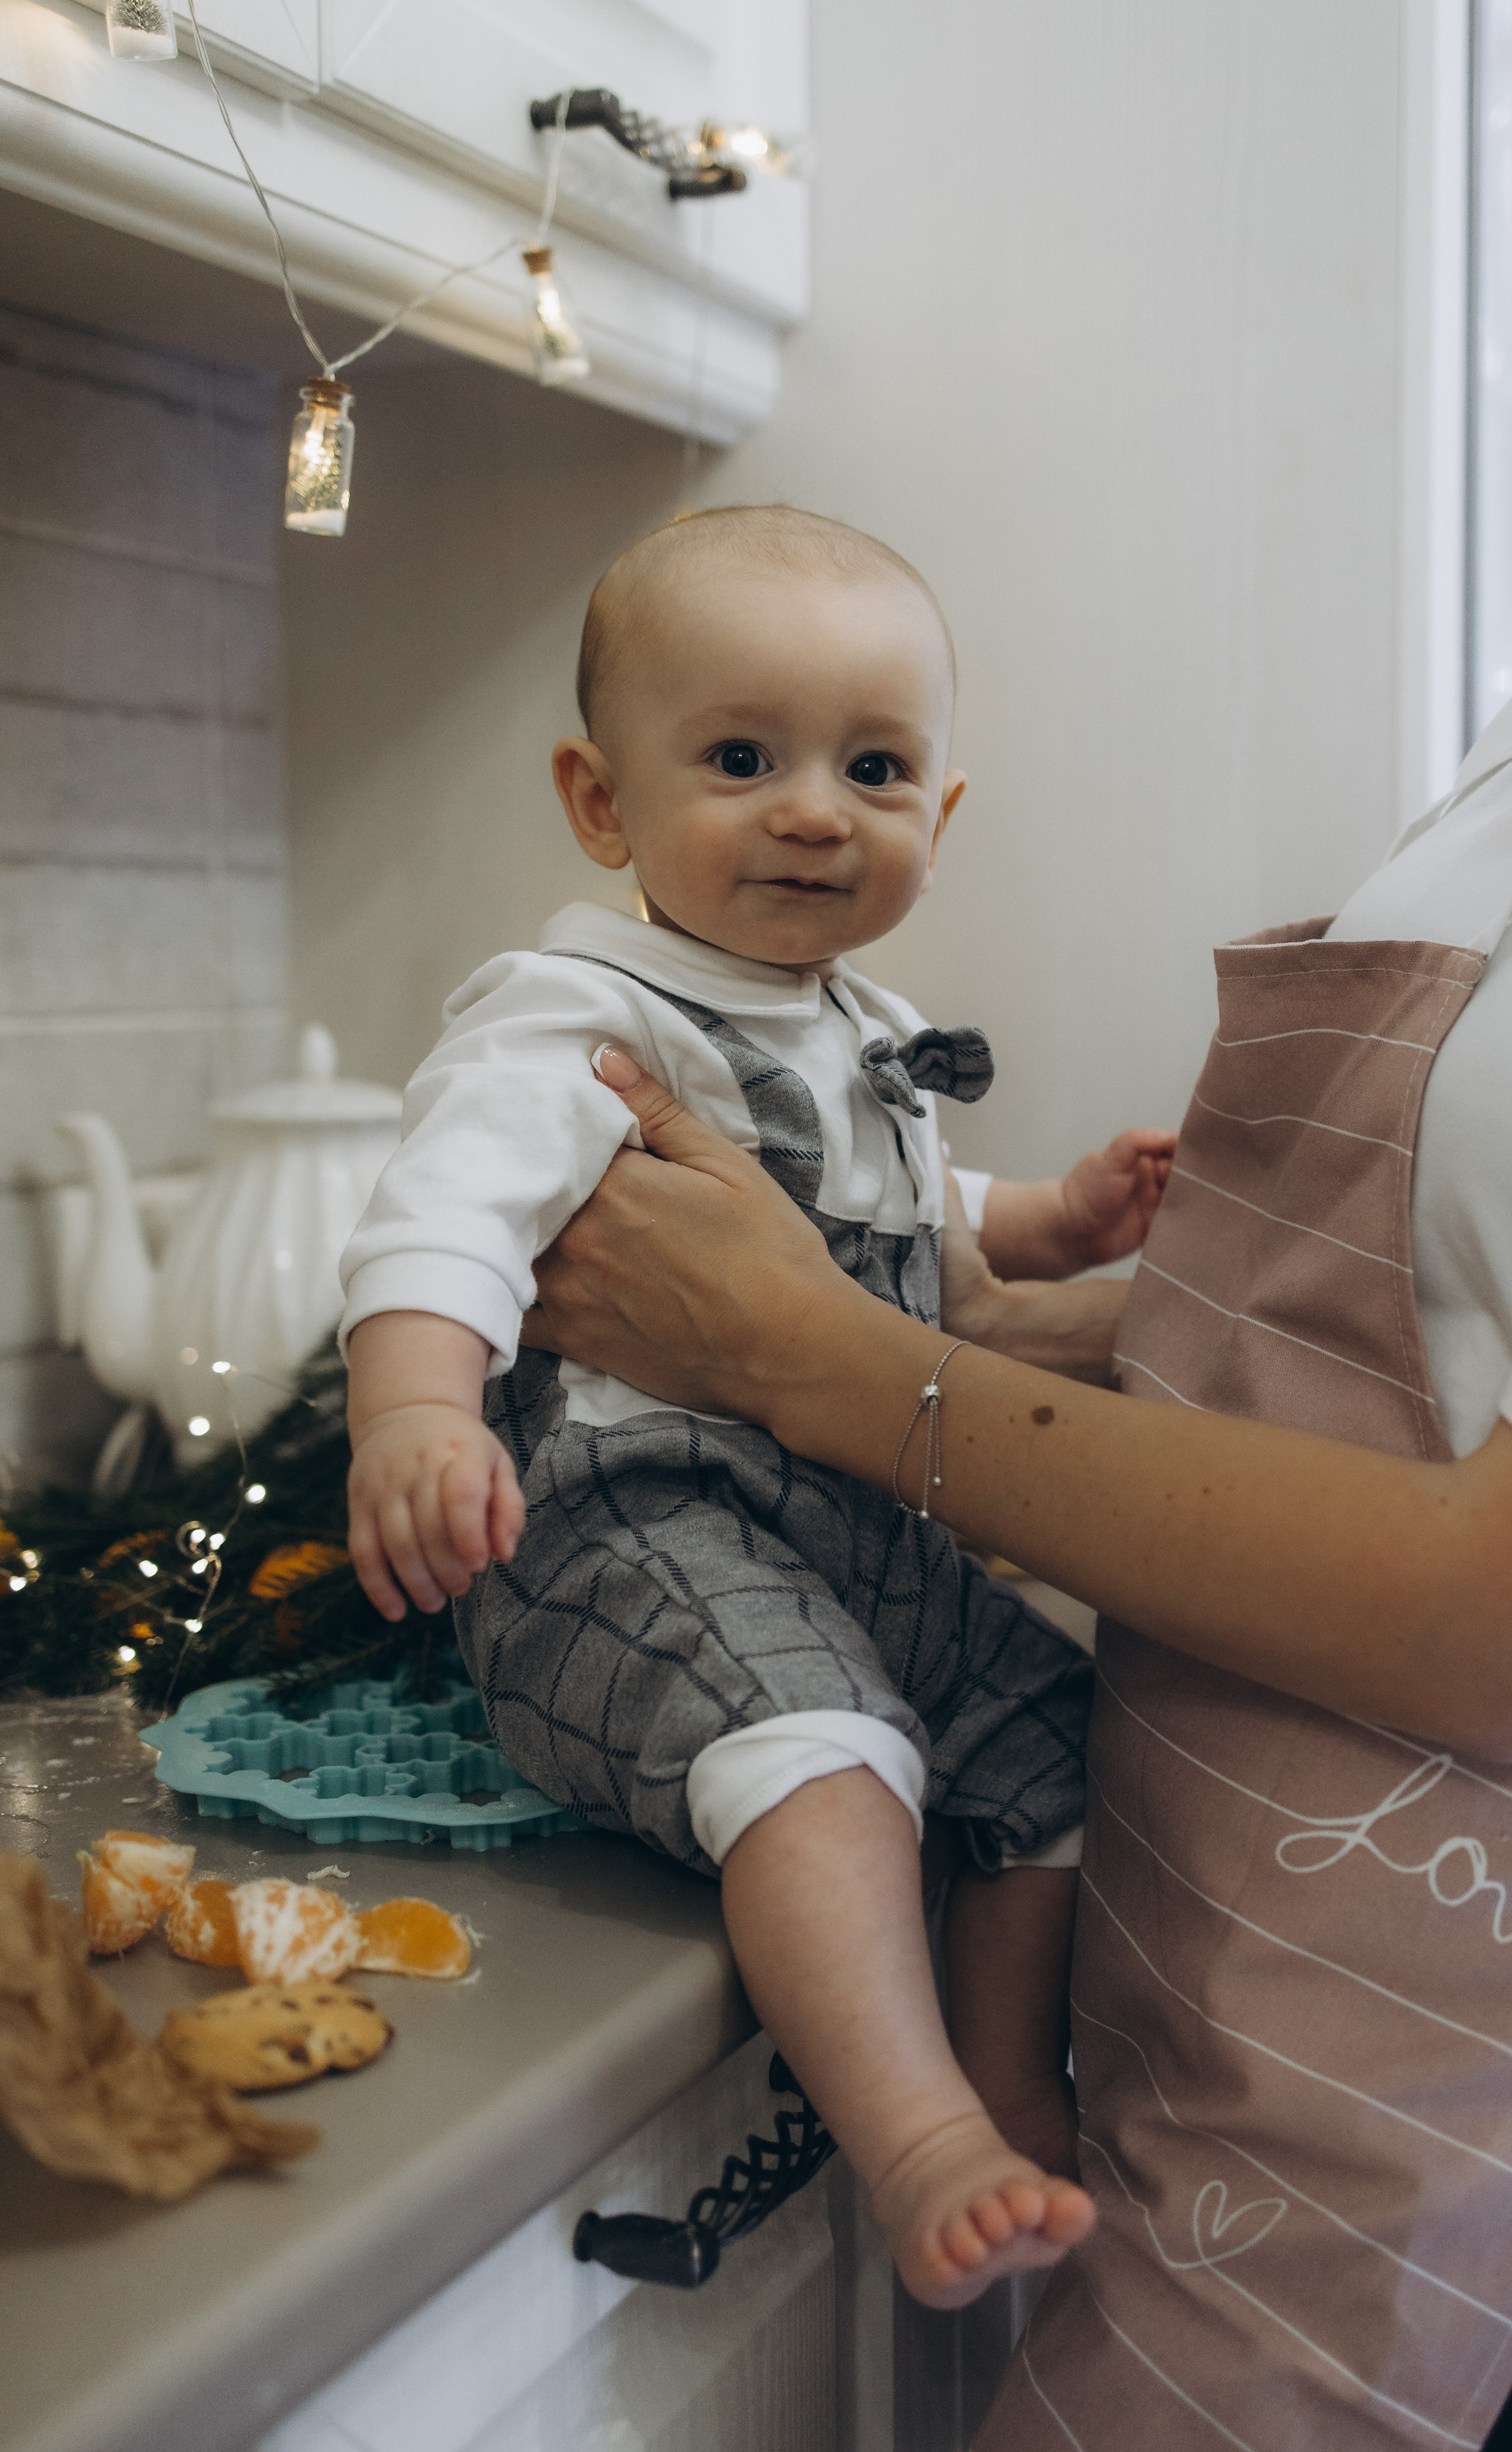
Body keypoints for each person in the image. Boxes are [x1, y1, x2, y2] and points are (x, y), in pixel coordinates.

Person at [511, 0, 1512, 2443]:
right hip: (1210, 1890)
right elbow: (1457, 1301)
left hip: (1495, 2070)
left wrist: (838, 1364)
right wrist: (1034, 1290)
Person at [337, 503, 1179, 2310]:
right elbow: (445, 1216)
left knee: (1066, 1745)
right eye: (740, 757)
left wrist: (1052, 1224)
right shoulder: (579, 1012)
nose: (814, 807)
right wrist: (416, 1414)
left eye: (875, 767)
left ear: (939, 819)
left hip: (857, 1521)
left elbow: (924, 1242)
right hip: (628, 1529)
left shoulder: (861, 1025)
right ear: (600, 801)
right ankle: (917, 2133)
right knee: (826, 1750)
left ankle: (1014, 2078)